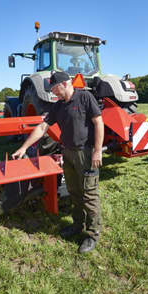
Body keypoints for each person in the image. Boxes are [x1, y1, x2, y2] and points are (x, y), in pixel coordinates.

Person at [12, 71, 104, 253]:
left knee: (89, 195)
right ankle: (78, 225)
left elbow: (98, 122)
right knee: (74, 192)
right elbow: (43, 127)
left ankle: (92, 234)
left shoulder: (85, 97)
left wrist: (97, 150)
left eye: (54, 89)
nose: (53, 93)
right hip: (68, 153)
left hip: (85, 153)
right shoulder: (59, 106)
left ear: (65, 84)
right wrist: (23, 147)